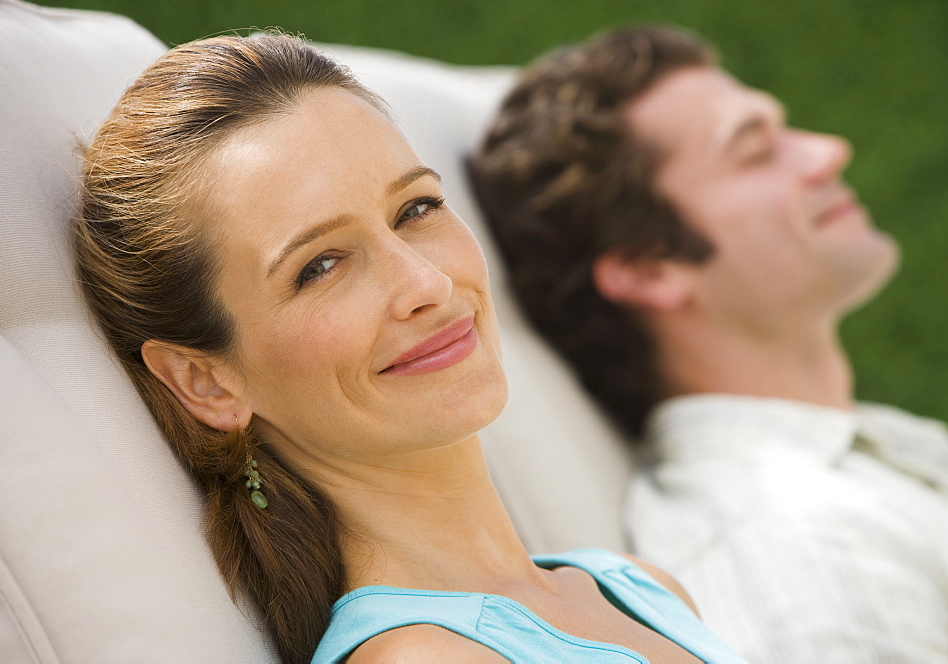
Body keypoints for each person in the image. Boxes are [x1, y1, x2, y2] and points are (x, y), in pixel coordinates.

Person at [72, 33, 749, 664]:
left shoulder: (633, 588)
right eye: (320, 266)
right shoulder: (421, 658)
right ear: (205, 381)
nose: (425, 283)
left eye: (416, 210)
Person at [470, 26, 948, 663]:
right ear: (649, 268)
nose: (828, 151)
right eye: (756, 152)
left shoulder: (866, 464)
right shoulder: (802, 550)